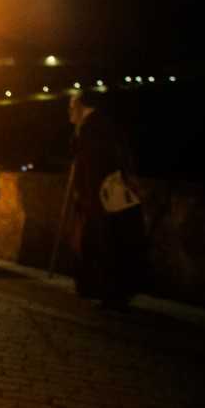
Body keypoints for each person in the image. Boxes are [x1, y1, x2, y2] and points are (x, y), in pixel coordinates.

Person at [67, 91, 147, 310]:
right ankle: (102, 289)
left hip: (103, 198)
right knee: (104, 243)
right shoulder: (95, 126)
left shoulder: (93, 130)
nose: (69, 111)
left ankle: (112, 294)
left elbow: (96, 167)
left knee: (109, 244)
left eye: (71, 105)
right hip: (102, 196)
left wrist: (87, 197)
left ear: (81, 105)